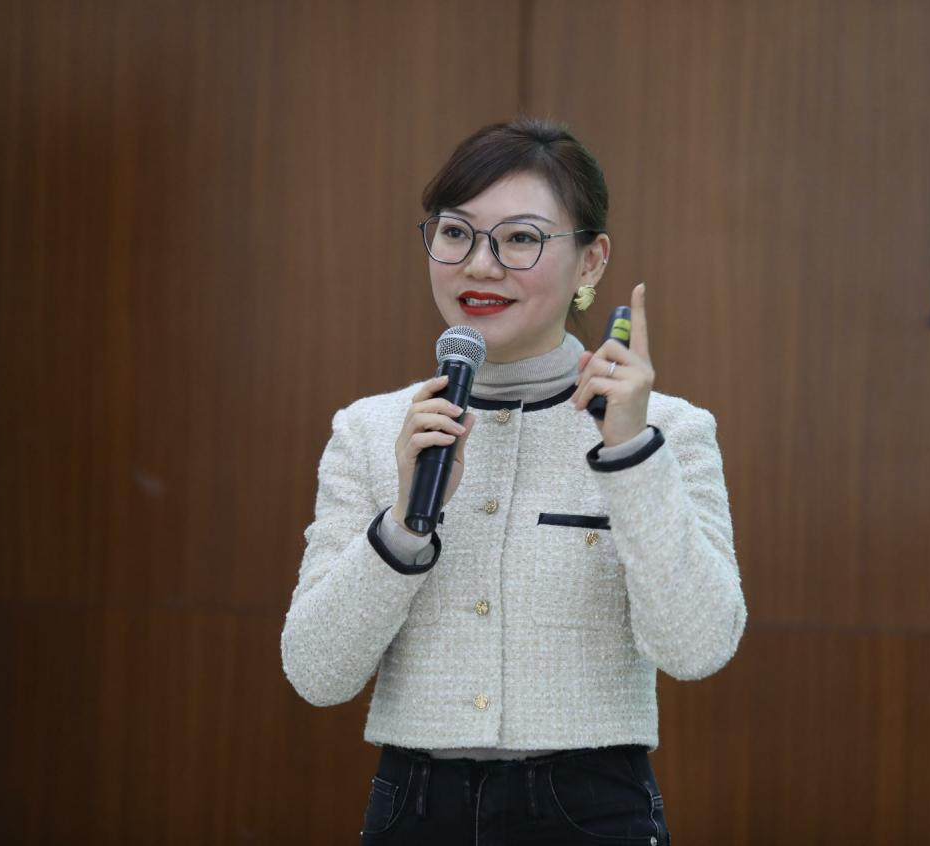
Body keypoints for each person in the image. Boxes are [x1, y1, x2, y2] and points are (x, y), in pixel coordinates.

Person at [281, 118, 746, 845]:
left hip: (590, 807)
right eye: (455, 233)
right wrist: (403, 524)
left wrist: (630, 456)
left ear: (590, 262)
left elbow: (698, 648)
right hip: (414, 807)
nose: (480, 265)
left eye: (520, 239)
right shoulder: (372, 430)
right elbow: (317, 673)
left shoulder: (666, 430)